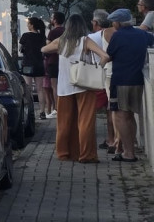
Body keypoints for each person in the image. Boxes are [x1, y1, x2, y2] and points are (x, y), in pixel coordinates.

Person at [41, 13, 110, 163]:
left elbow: (44, 49)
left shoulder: (61, 41)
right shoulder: (85, 40)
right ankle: (86, 155)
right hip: (84, 85)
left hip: (64, 86)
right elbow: (105, 56)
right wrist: (98, 68)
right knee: (85, 121)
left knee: (64, 122)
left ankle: (64, 153)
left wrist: (59, 49)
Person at [103, 8, 154, 162]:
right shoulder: (143, 34)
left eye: (114, 21)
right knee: (130, 116)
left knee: (120, 116)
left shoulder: (118, 36)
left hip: (120, 80)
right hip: (137, 79)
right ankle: (128, 149)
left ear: (118, 22)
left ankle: (129, 153)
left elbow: (109, 55)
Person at [87, 10, 118, 153]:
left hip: (100, 76)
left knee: (95, 110)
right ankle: (113, 139)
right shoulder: (114, 33)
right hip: (115, 74)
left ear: (96, 23)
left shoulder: (92, 37)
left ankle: (110, 140)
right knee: (112, 109)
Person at [20, 17, 48, 111]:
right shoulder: (42, 36)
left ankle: (30, 110)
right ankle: (42, 111)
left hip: (28, 64)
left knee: (28, 89)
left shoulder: (25, 36)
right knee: (40, 89)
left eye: (28, 24)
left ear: (32, 25)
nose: (27, 25)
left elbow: (21, 49)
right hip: (39, 65)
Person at [43, 11, 67, 119]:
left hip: (53, 61)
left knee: (54, 86)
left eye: (52, 17)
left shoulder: (52, 33)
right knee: (64, 85)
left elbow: (48, 48)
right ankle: (65, 107)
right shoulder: (66, 31)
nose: (51, 19)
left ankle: (57, 108)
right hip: (65, 61)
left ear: (55, 20)